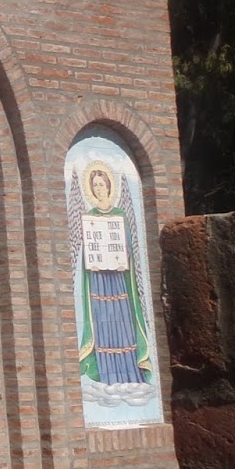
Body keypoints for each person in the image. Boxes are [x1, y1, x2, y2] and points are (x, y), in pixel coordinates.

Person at [77, 162, 152, 386]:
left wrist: (124, 261)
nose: (99, 188)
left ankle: (128, 372)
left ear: (110, 186)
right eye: (95, 185)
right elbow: (87, 253)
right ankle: (107, 375)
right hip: (99, 280)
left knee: (122, 322)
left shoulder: (121, 215)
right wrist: (92, 262)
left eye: (102, 184)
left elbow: (128, 247)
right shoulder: (89, 216)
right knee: (103, 323)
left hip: (119, 280)